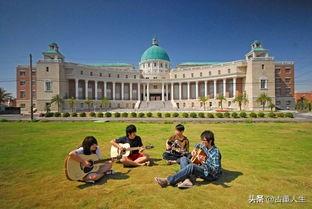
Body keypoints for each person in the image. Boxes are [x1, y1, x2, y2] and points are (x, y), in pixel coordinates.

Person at [155, 130, 222, 189]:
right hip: (202, 167)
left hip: (210, 175)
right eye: (202, 140)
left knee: (191, 166)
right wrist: (194, 150)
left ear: (210, 141)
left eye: (204, 140)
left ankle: (167, 181)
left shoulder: (215, 153)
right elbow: (197, 145)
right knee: (183, 158)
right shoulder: (204, 146)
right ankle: (187, 180)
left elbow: (215, 171)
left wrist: (203, 162)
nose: (202, 142)